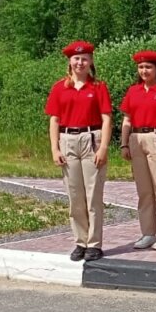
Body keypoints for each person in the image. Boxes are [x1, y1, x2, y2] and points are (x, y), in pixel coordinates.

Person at [44, 40, 113, 262]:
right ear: (69, 61)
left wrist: (103, 147)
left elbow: (106, 118)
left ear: (91, 61)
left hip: (91, 139)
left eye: (84, 59)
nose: (80, 63)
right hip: (68, 140)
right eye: (76, 59)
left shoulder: (98, 87)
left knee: (93, 196)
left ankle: (94, 243)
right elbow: (54, 120)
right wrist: (55, 148)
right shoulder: (59, 87)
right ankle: (80, 241)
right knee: (75, 196)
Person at [118, 49, 156, 251]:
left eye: (148, 67)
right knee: (144, 191)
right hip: (137, 139)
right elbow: (127, 120)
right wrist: (124, 143)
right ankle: (148, 233)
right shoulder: (133, 91)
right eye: (141, 67)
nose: (144, 70)